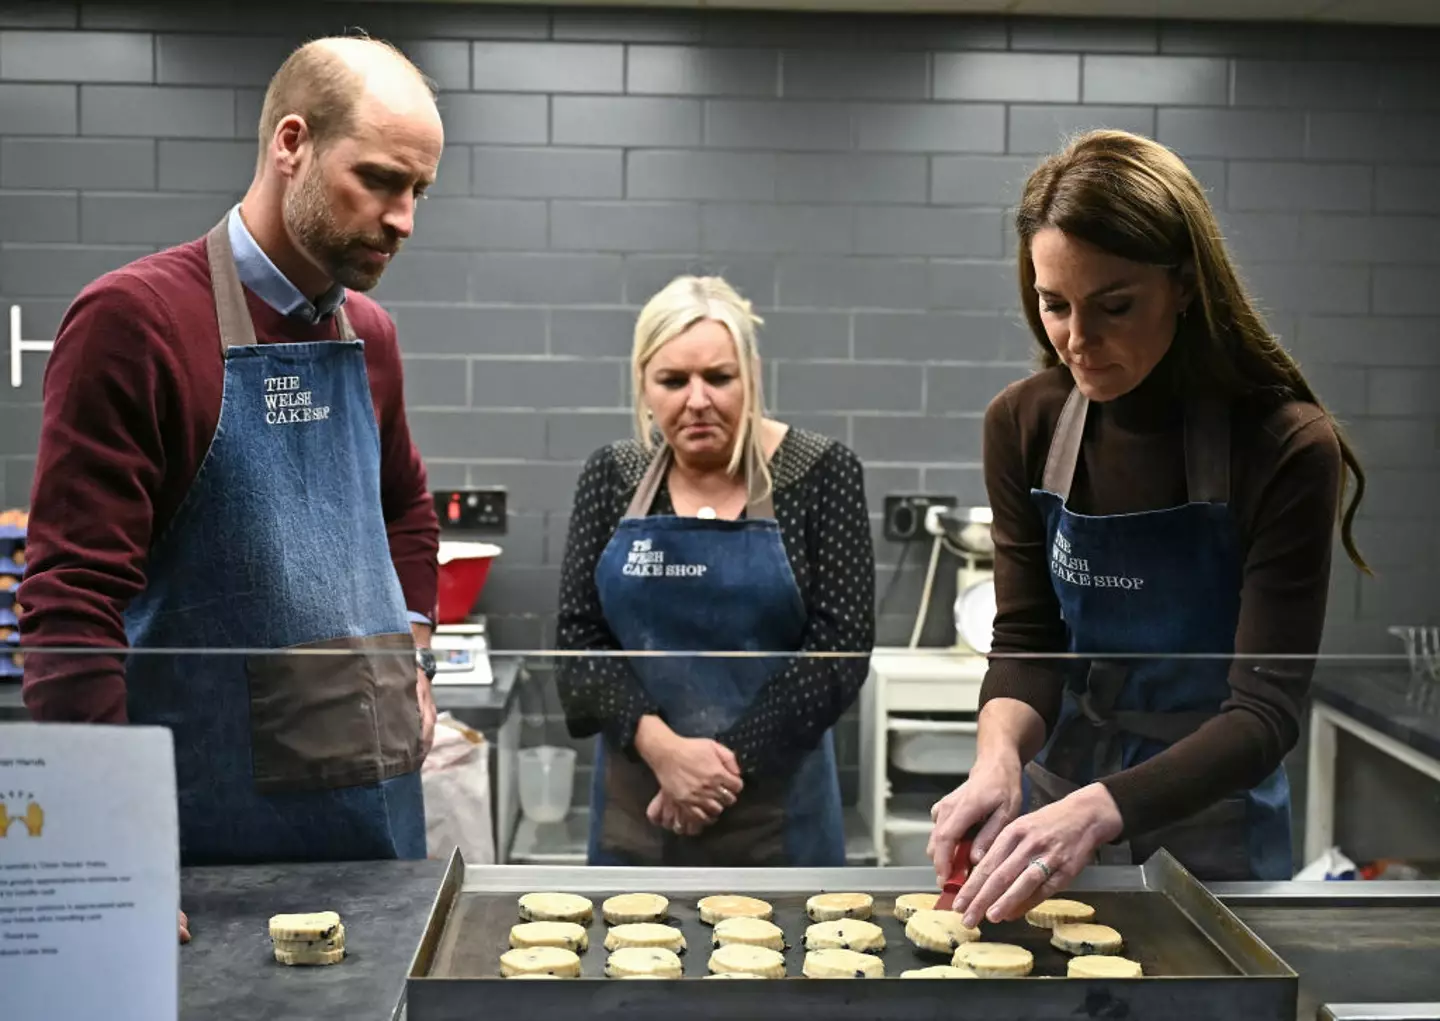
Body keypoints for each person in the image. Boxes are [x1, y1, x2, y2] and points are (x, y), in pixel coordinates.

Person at [19, 36, 445, 908]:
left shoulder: (371, 335)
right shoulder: (135, 322)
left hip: (378, 825)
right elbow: (68, 603)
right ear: (292, 143)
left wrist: (413, 654)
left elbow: (406, 510)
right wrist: (107, 852)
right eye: (379, 180)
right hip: (214, 849)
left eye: (419, 190)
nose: (404, 218)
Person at [928, 129, 1369, 926]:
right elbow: (1028, 639)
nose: (1077, 340)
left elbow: (1264, 714)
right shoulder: (1023, 424)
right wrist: (997, 759)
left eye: (1114, 306)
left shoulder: (1282, 446)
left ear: (1187, 285)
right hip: (1054, 809)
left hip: (1210, 826)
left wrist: (1101, 810)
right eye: (1053, 304)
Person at [556, 275, 875, 867]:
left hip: (779, 814)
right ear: (644, 385)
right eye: (673, 381)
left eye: (719, 378)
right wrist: (665, 752)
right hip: (642, 805)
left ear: (751, 375)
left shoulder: (821, 472)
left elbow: (839, 650)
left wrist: (717, 771)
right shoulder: (613, 475)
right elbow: (578, 645)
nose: (697, 400)